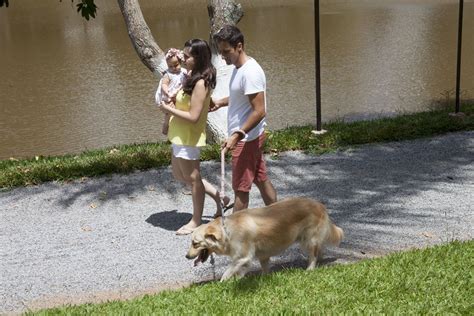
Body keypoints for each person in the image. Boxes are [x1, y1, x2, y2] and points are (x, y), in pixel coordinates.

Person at [159, 39, 230, 235]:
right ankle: (220, 198)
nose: (183, 58)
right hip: (179, 134)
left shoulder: (201, 82)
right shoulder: (189, 75)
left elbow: (194, 116)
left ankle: (196, 220)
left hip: (189, 135)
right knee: (180, 174)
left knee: (192, 178)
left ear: (198, 58)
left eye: (187, 56)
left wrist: (167, 109)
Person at [210, 25, 277, 212]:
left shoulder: (250, 72)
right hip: (250, 137)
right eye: (220, 52)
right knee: (261, 178)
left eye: (226, 51)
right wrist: (221, 102)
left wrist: (237, 135)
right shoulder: (239, 67)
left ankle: (234, 236)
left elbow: (259, 110)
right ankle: (279, 217)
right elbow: (243, 97)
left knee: (240, 189)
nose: (223, 56)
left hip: (246, 139)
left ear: (239, 46)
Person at [155, 48, 187, 135]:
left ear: (180, 62)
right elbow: (164, 84)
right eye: (170, 66)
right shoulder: (168, 74)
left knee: (179, 114)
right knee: (169, 115)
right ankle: (166, 129)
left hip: (180, 95)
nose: (173, 68)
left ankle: (178, 132)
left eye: (176, 65)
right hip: (170, 96)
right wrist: (167, 93)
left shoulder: (184, 72)